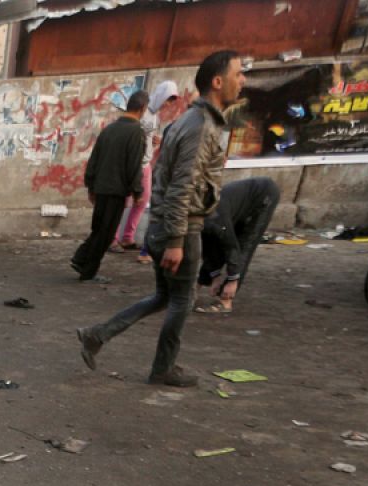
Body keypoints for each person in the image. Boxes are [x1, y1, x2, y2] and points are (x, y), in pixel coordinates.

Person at [77, 50, 247, 388]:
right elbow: (182, 185)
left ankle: (97, 335)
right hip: (180, 229)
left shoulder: (185, 122)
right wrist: (175, 241)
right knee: (182, 300)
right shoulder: (199, 126)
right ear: (217, 81)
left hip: (163, 225)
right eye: (238, 73)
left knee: (164, 297)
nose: (242, 81)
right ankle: (163, 368)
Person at [72, 90, 148, 283]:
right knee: (105, 234)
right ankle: (87, 268)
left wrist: (90, 185)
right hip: (116, 190)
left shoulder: (109, 129)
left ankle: (81, 259)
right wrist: (138, 190)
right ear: (142, 109)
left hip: (101, 187)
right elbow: (134, 164)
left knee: (99, 229)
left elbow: (94, 159)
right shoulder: (136, 133)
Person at [195, 177, 279, 314]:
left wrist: (233, 280)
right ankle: (193, 291)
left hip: (263, 197)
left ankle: (225, 301)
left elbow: (231, 247)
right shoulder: (198, 220)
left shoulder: (214, 219)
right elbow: (208, 248)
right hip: (236, 206)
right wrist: (215, 275)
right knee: (213, 243)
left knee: (245, 243)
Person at [117, 81, 181, 251]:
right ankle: (113, 238)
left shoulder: (155, 116)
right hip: (133, 163)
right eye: (168, 99)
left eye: (171, 101)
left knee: (142, 200)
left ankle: (127, 237)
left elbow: (151, 136)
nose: (168, 104)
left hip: (145, 164)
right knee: (123, 201)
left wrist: (157, 141)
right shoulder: (142, 111)